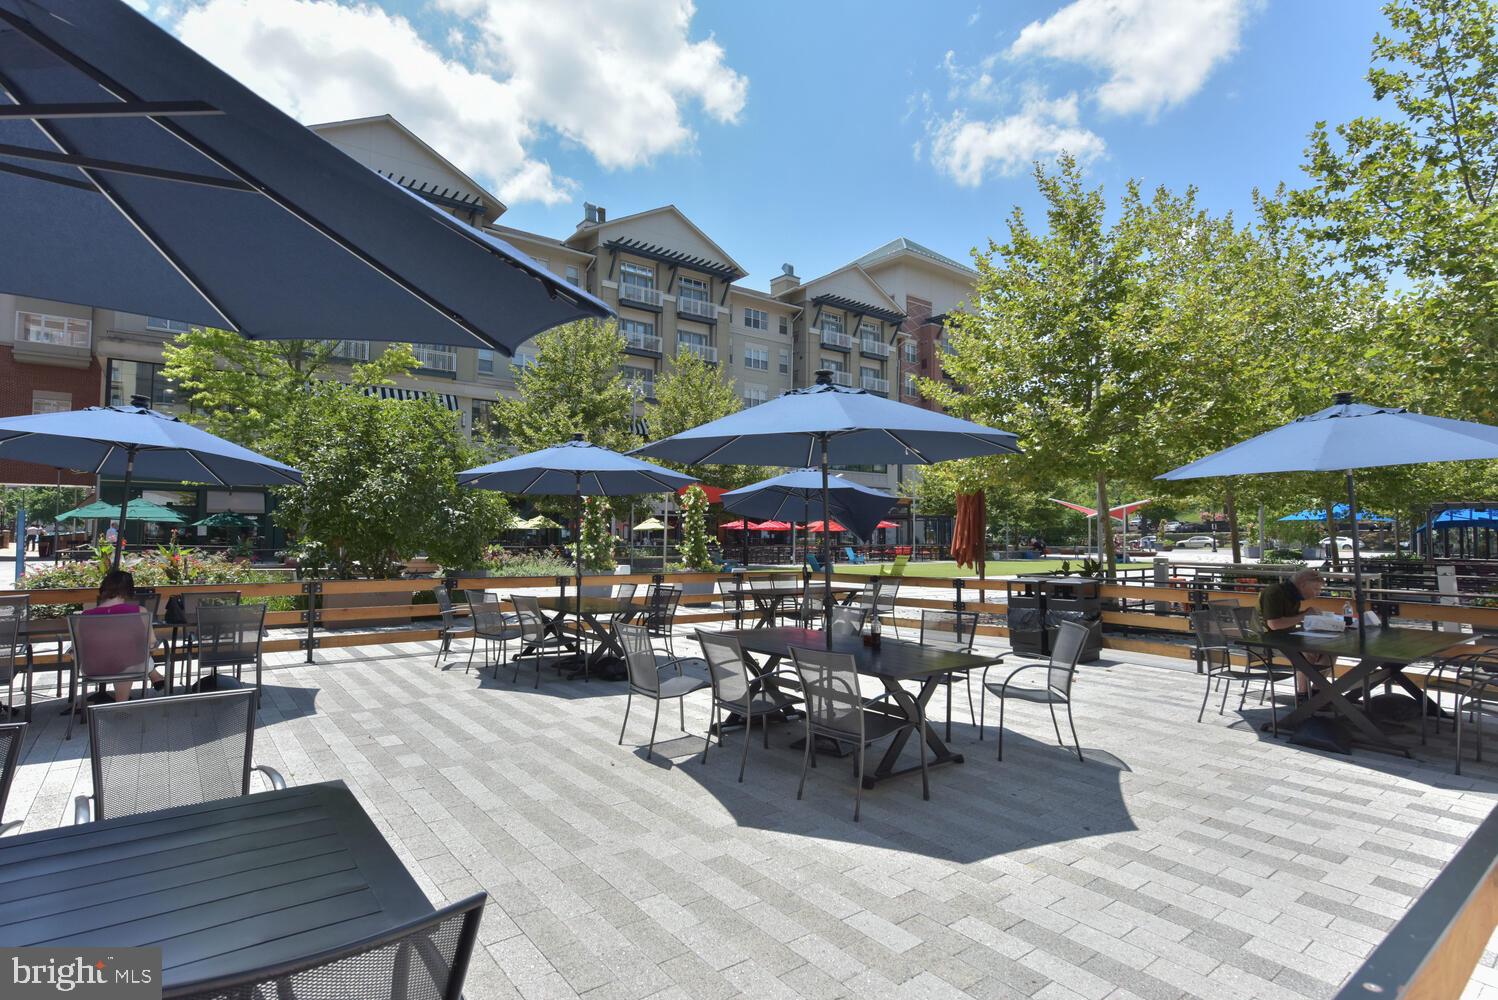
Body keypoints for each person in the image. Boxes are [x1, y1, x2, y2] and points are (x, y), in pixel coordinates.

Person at [81, 570, 166, 701]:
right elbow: (152, 645)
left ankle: (153, 677)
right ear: (129, 590)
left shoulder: (85, 616)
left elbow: (78, 648)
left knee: (122, 654)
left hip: (92, 668)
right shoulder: (140, 612)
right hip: (128, 667)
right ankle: (121, 706)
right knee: (129, 656)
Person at [1258, 568, 1330, 697]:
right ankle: (1303, 695)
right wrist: (1304, 615)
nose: (1317, 593)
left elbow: (1288, 619)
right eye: (1315, 589)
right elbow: (1274, 624)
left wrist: (1308, 615)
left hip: (1287, 638)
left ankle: (1317, 694)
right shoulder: (1274, 592)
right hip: (1267, 642)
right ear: (1303, 584)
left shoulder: (1294, 594)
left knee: (1329, 653)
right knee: (1307, 652)